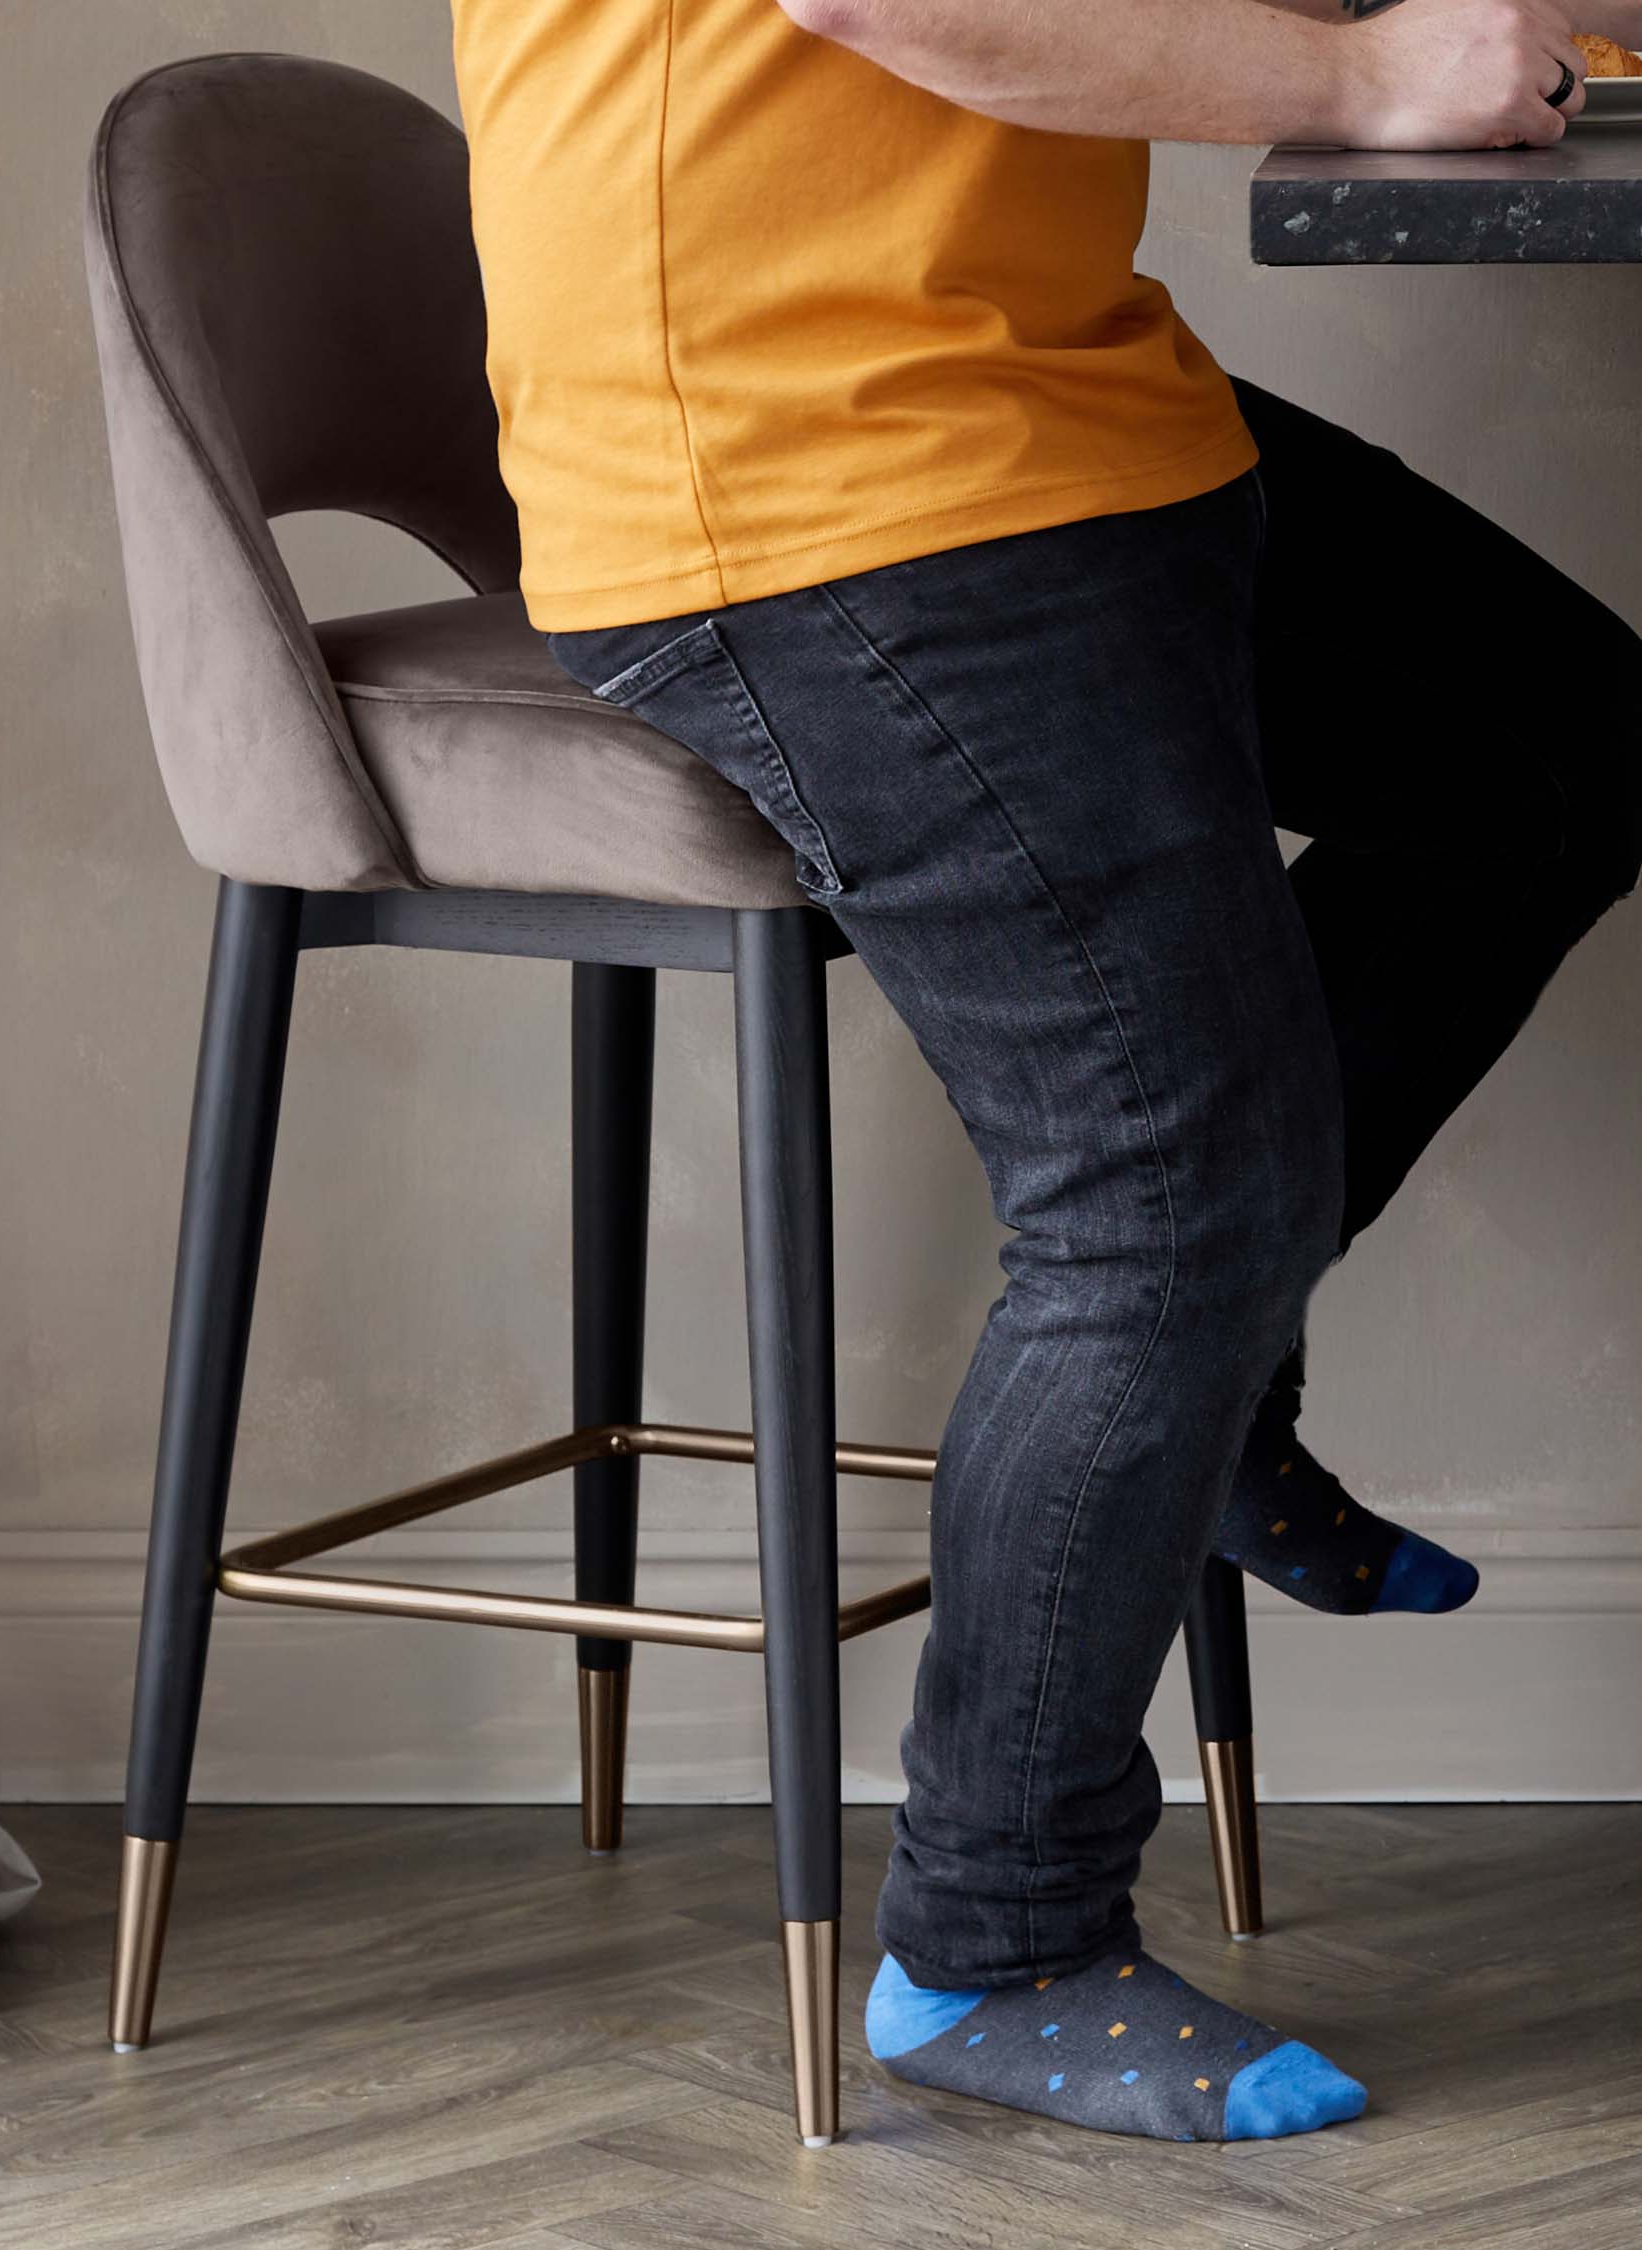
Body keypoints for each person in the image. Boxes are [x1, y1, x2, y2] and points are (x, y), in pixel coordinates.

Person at [449, 0, 1642, 2143]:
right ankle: (991, 1939)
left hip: (1033, 394)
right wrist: (1367, 85)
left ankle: (1207, 1409)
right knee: (1169, 1196)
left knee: (1562, 755)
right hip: (808, 462)